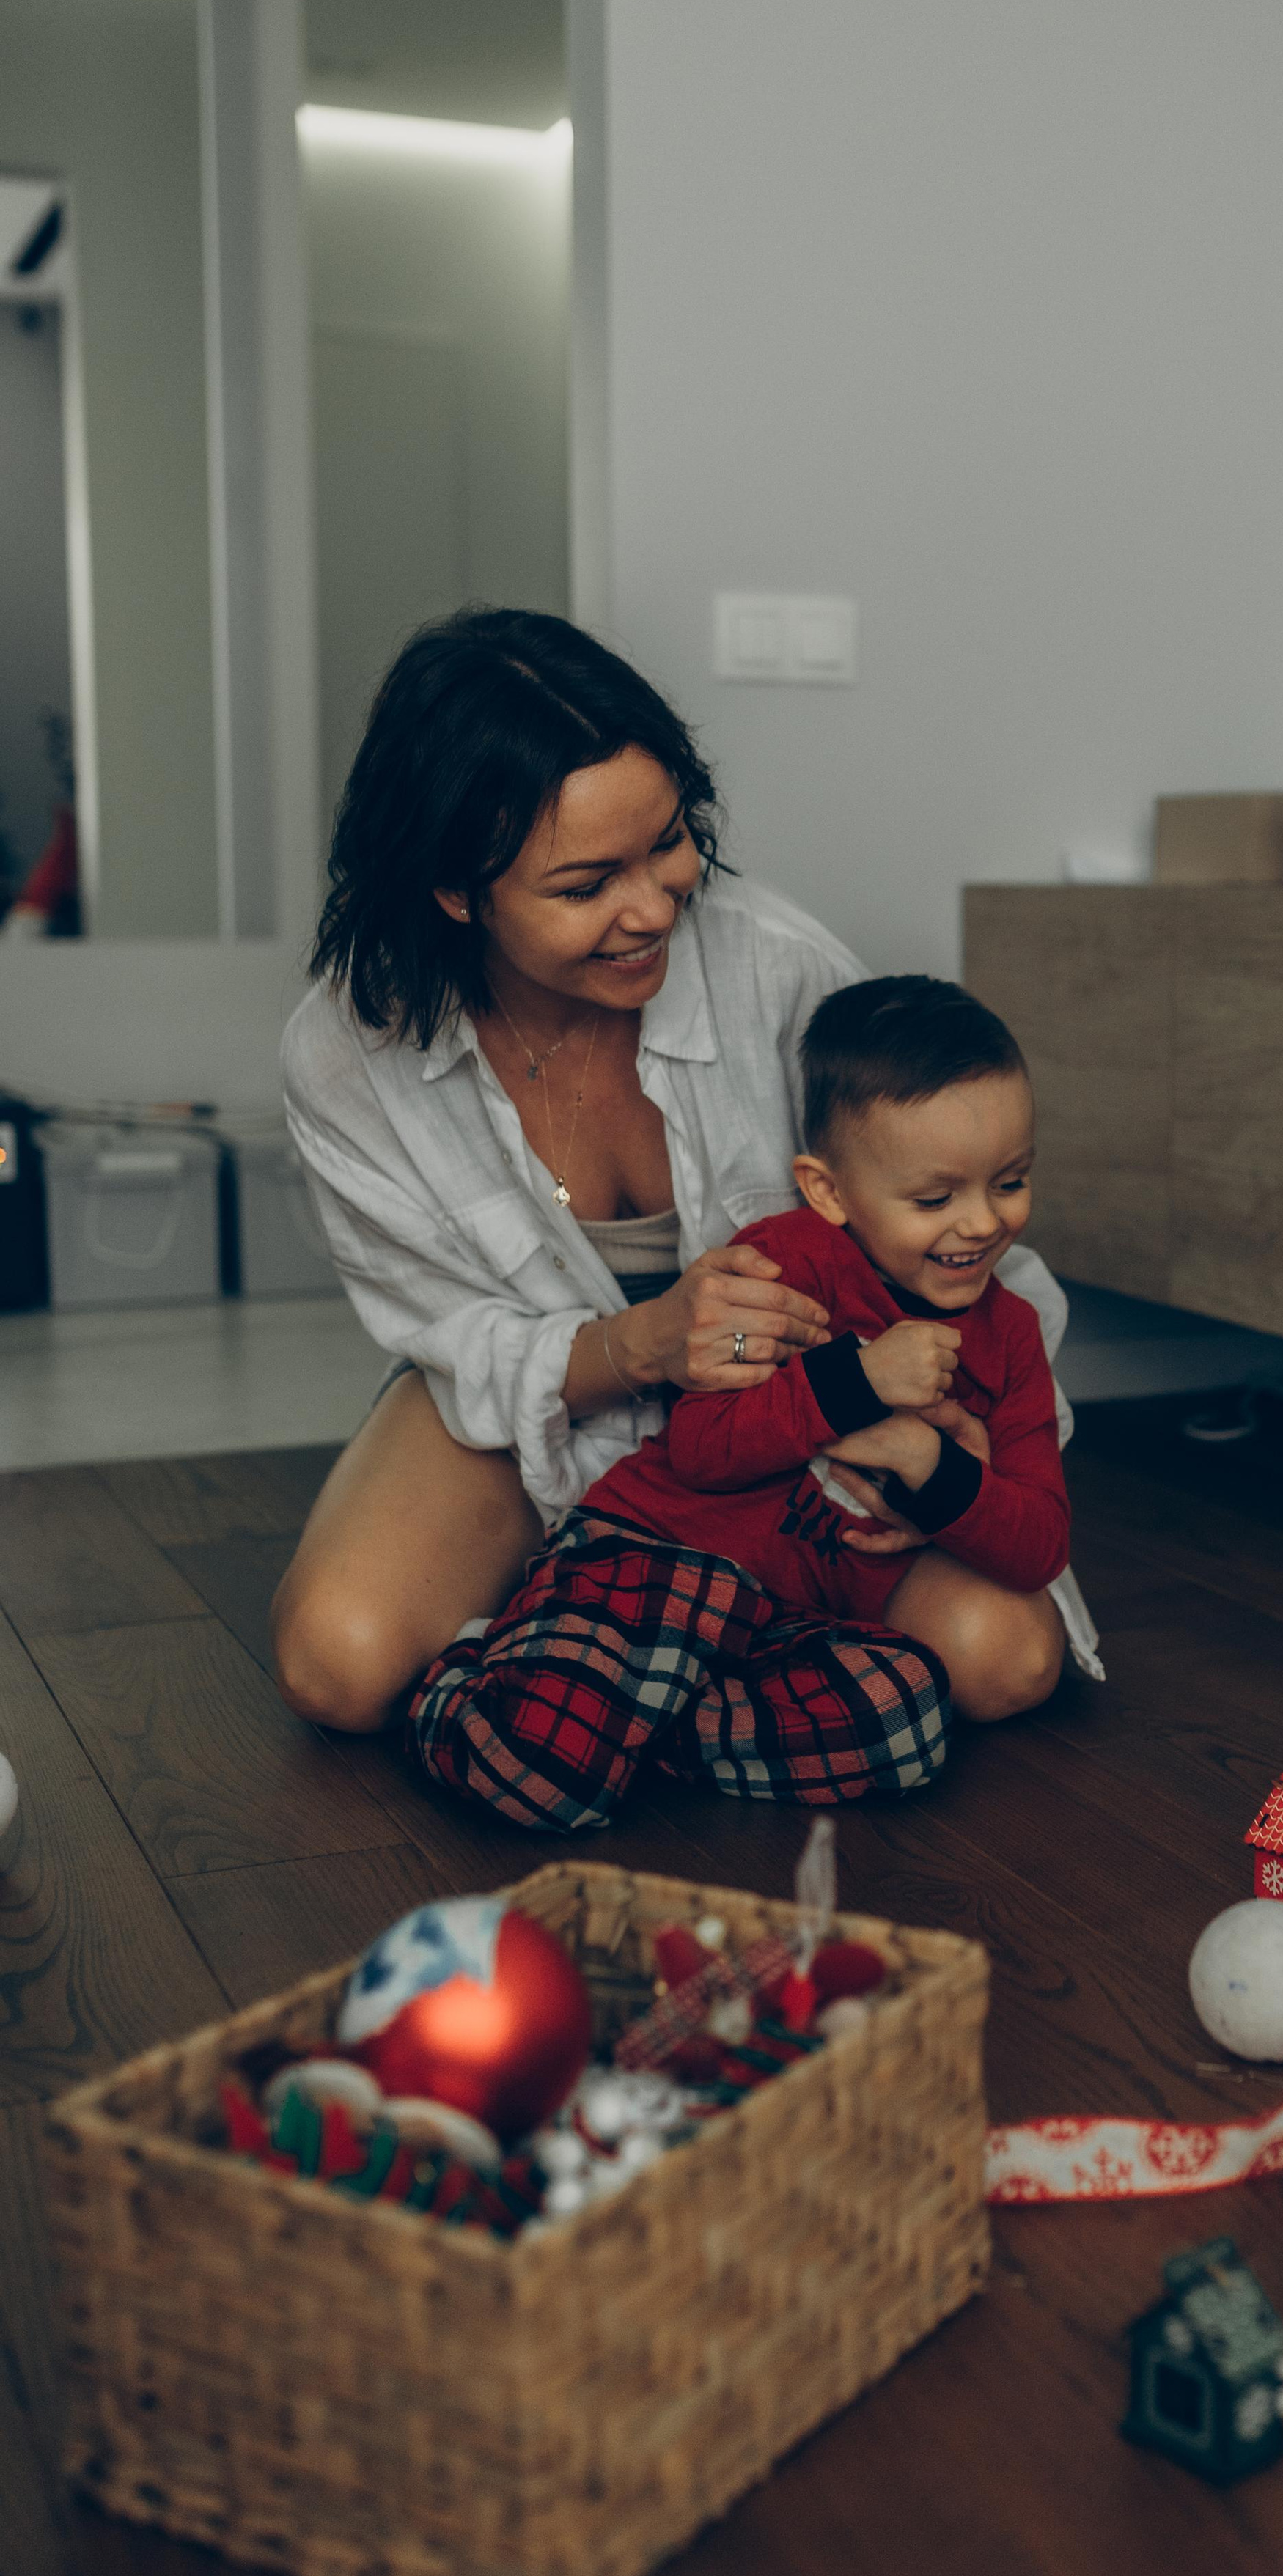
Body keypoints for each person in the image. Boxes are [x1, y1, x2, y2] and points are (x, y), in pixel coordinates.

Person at [272, 608, 1081, 1738]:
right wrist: (642, 1346)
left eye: (666, 843)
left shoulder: (779, 973)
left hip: (805, 1417)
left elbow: (950, 1223)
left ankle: (619, 1675)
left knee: (1004, 1660)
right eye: (585, 884)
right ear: (457, 889)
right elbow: (458, 1337)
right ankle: (628, 1647)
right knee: (339, 1662)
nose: (654, 907)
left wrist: (974, 1446)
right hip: (537, 1401)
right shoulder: (349, 1055)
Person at [408, 979, 1071, 1823]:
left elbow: (1039, 1545)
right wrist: (859, 1383)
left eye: (1010, 1182)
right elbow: (702, 1447)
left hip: (790, 1625)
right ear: (828, 1192)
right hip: (662, 1556)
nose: (980, 1224)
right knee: (536, 1775)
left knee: (906, 1720)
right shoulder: (783, 1266)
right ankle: (490, 1673)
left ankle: (628, 1728)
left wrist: (924, 1458)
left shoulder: (1009, 1335)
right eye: (936, 1199)